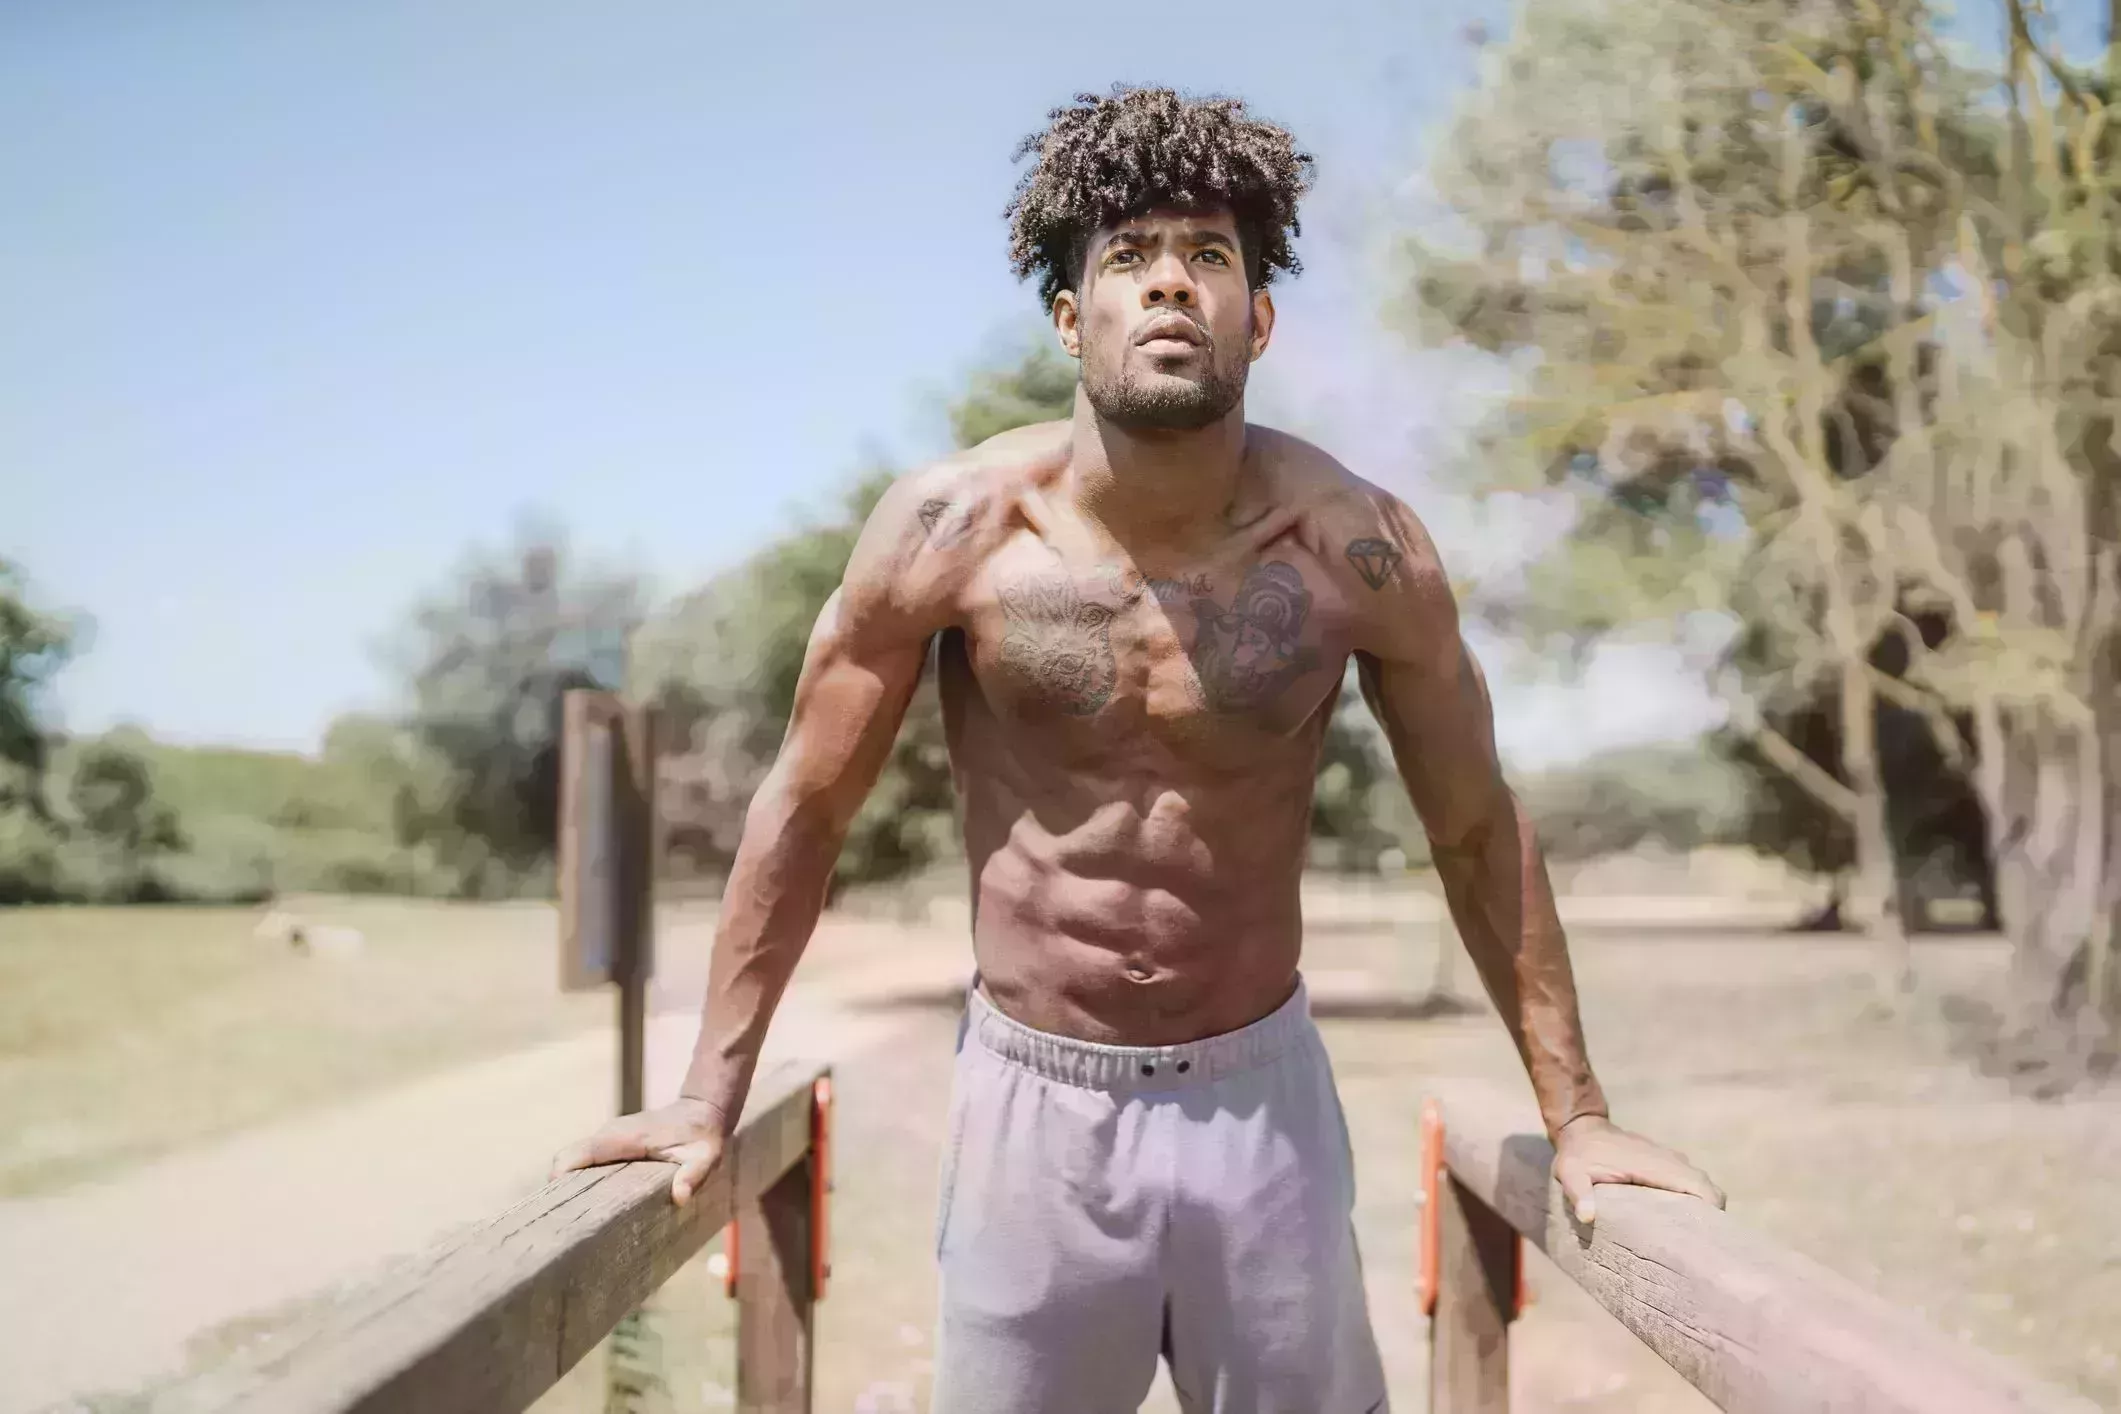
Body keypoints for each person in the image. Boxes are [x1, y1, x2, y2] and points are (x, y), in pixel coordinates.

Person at [553, 84, 1724, 1413]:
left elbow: (1472, 826)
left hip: (1261, 1100)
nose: (1173, 285)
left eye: (1211, 257)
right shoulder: (951, 532)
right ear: (1071, 316)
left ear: (1259, 318)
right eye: (1130, 258)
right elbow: (808, 807)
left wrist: (1578, 1116)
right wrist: (709, 1097)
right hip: (1032, 1113)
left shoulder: (1357, 549)